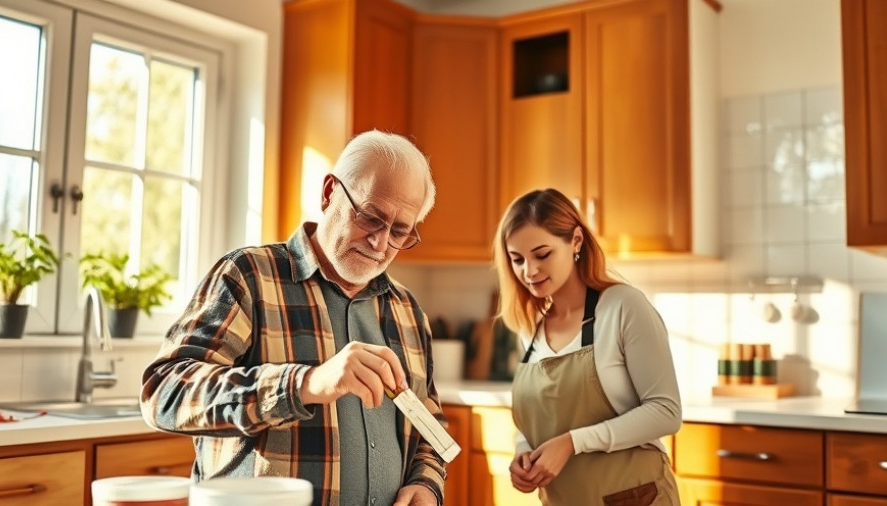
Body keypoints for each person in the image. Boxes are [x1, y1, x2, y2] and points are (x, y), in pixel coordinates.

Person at [140, 130, 447, 506]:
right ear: (329, 192)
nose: (380, 243)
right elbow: (163, 393)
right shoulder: (249, 276)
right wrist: (305, 383)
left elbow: (429, 423)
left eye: (399, 231)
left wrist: (426, 484)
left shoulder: (408, 311)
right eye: (369, 217)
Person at [492, 188, 682, 506]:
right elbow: (538, 422)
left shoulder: (623, 306)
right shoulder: (530, 327)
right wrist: (523, 450)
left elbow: (666, 412)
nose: (530, 271)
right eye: (517, 259)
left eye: (542, 254)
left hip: (636, 497)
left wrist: (572, 443)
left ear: (576, 241)